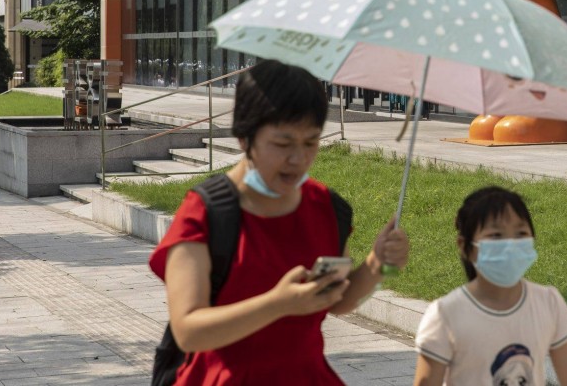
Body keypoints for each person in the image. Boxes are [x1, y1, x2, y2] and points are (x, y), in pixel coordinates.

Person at [149, 59, 410, 385]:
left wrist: (378, 265)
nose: (298, 159)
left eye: (311, 142)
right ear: (245, 137)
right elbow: (189, 331)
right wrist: (278, 304)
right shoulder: (206, 213)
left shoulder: (328, 208)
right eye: (283, 144)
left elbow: (336, 299)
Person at [413, 186, 567, 386]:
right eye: (496, 235)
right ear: (465, 246)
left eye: (520, 233)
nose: (510, 245)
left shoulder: (549, 303)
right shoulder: (445, 314)